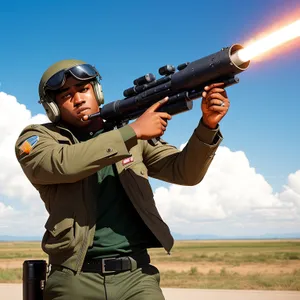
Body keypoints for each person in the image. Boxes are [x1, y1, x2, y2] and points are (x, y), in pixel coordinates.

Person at [15, 59, 230, 300]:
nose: (78, 99)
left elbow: (184, 172)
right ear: (52, 107)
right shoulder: (38, 138)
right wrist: (133, 131)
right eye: (66, 95)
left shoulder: (127, 135)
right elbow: (61, 163)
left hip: (136, 277)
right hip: (74, 278)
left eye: (84, 89)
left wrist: (208, 125)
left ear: (97, 91)